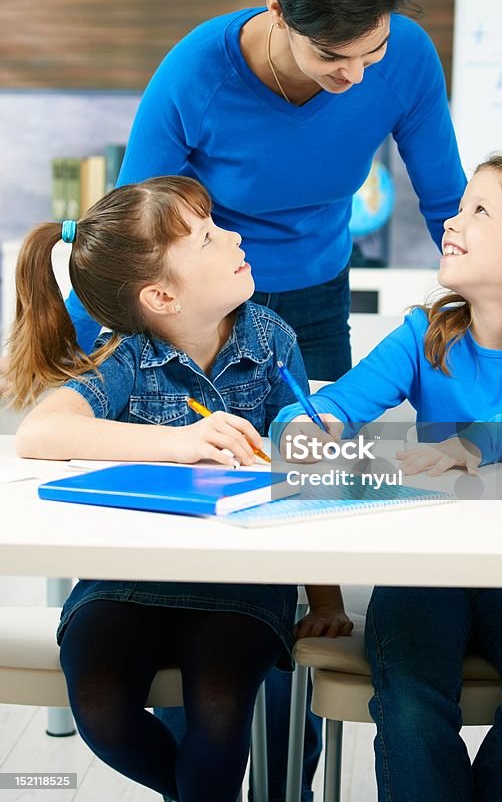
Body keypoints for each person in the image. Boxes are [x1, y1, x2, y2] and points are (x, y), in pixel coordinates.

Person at [63, 0, 468, 799]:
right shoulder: (195, 75)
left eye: (371, 52)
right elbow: (137, 239)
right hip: (201, 296)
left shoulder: (401, 59)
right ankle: (184, 674)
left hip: (314, 293)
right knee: (203, 474)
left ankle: (291, 711)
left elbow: (446, 202)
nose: (357, 77)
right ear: (277, 8)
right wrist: (97, 369)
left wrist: (492, 315)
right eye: (333, 58)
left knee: (303, 473)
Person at [273, 155, 502, 802]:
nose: (450, 222)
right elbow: (333, 407)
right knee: (407, 698)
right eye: (457, 207)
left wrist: (481, 439)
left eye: (477, 211)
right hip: (422, 567)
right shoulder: (421, 335)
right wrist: (299, 427)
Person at [4, 176, 352, 802]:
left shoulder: (272, 341)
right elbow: (39, 431)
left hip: (241, 588)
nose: (235, 236)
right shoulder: (127, 358)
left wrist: (323, 600)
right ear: (162, 295)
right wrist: (179, 442)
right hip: (126, 584)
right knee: (103, 714)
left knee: (219, 723)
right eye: (208, 237)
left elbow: (308, 483)